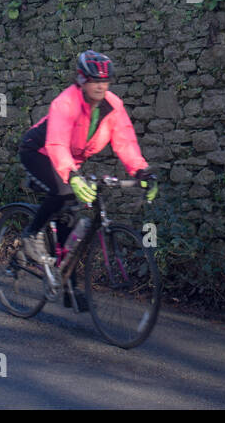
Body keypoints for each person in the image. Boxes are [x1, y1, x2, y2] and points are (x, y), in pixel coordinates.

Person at [17, 50, 157, 288]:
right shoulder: (66, 102)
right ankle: (30, 235)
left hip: (68, 160)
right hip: (38, 151)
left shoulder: (113, 107)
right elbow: (57, 143)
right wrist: (71, 176)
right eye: (95, 80)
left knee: (70, 212)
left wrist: (140, 171)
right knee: (62, 192)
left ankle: (65, 278)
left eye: (105, 81)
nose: (101, 86)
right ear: (82, 80)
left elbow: (125, 142)